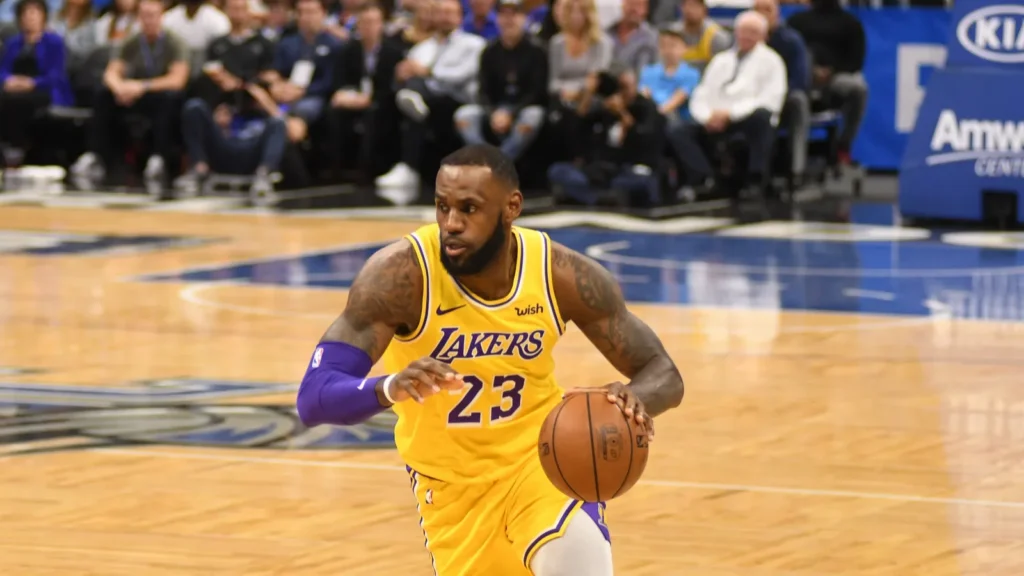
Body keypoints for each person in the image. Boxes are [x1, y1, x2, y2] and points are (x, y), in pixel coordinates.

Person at [296, 143, 684, 576]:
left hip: (543, 464)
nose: (451, 223)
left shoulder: (560, 274)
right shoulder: (401, 276)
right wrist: (389, 387)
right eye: (442, 206)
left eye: (469, 209)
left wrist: (634, 400)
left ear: (511, 207)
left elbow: (663, 373)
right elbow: (313, 398)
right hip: (450, 492)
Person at [668, 10, 785, 198]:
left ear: (763, 35)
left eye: (753, 32)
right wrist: (707, 116)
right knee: (678, 130)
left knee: (762, 117)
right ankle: (704, 179)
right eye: (743, 31)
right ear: (736, 32)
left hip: (746, 118)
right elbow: (702, 93)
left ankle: (755, 180)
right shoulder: (721, 60)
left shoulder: (772, 62)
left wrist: (730, 114)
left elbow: (770, 100)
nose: (747, 36)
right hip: (714, 118)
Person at [71, 0, 190, 182]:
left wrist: (142, 86)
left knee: (170, 98)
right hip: (133, 95)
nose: (148, 21)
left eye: (152, 16)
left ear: (161, 17)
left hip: (157, 93)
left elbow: (177, 80)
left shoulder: (175, 42)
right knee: (103, 94)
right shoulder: (131, 42)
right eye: (144, 16)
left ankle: (159, 156)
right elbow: (111, 73)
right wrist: (119, 88)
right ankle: (97, 155)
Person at [453, 0, 548, 162]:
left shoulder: (537, 50)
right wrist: (493, 112)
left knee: (533, 116)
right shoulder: (489, 50)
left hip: (523, 106)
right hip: (495, 107)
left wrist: (511, 113)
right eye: (503, 15)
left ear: (524, 18)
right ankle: (484, 157)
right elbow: (483, 91)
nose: (509, 20)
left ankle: (500, 162)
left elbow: (537, 92)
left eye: (514, 14)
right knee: (464, 116)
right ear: (497, 19)